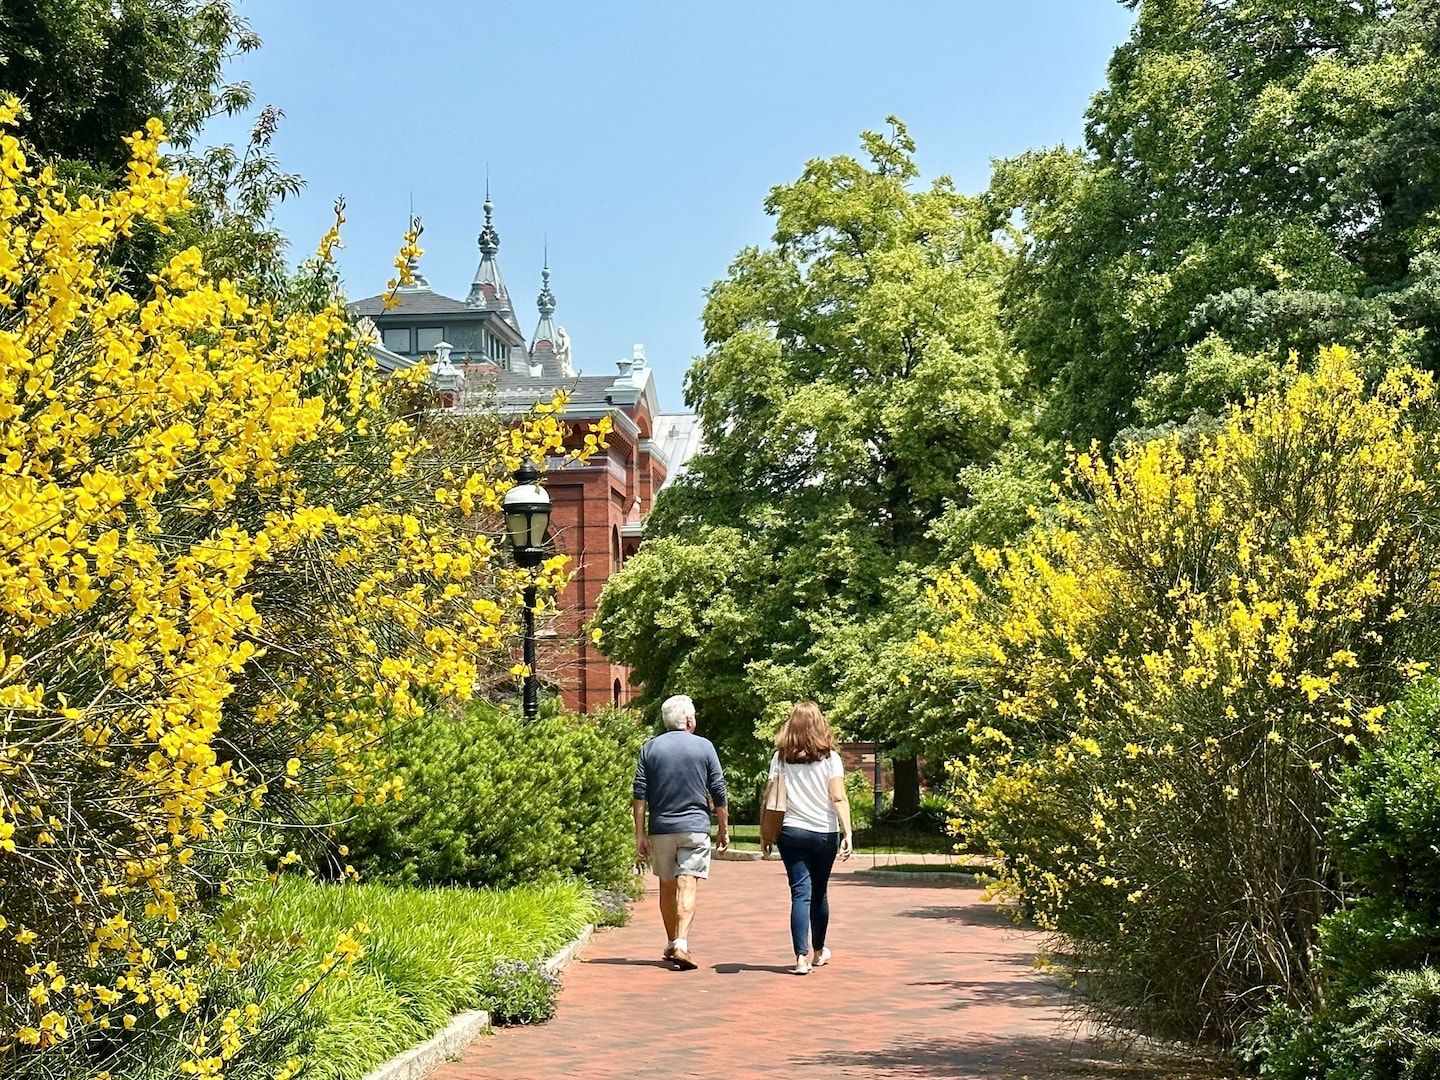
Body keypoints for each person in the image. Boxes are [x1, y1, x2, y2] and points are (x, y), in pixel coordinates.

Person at [633, 694, 729, 970]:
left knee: (666, 885)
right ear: (688, 720)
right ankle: (682, 942)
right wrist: (722, 828)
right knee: (688, 882)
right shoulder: (705, 747)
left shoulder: (650, 749)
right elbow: (718, 791)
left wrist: (639, 833)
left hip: (661, 828)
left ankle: (671, 940)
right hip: (695, 827)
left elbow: (640, 793)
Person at [762, 701, 853, 975]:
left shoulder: (780, 758)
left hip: (791, 832)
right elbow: (838, 797)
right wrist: (847, 831)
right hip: (824, 833)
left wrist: (766, 834)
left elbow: (771, 799)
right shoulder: (831, 759)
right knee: (819, 892)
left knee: (800, 893)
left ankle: (800, 958)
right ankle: (818, 951)